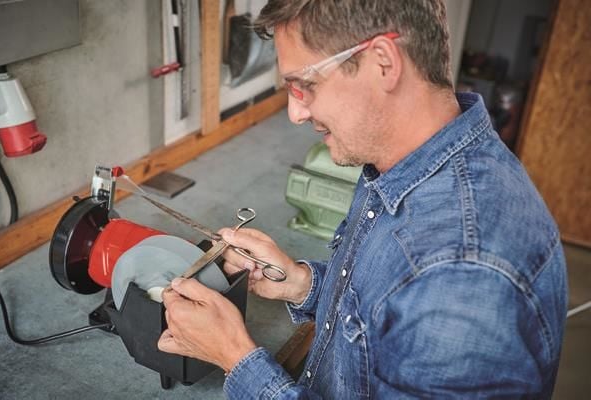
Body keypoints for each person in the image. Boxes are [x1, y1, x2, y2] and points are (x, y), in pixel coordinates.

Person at [157, 0, 568, 398]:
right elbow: (384, 310)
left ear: (383, 63)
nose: (295, 113)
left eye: (305, 85)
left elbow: (421, 289)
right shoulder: (402, 161)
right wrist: (301, 284)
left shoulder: (462, 274)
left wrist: (236, 357)